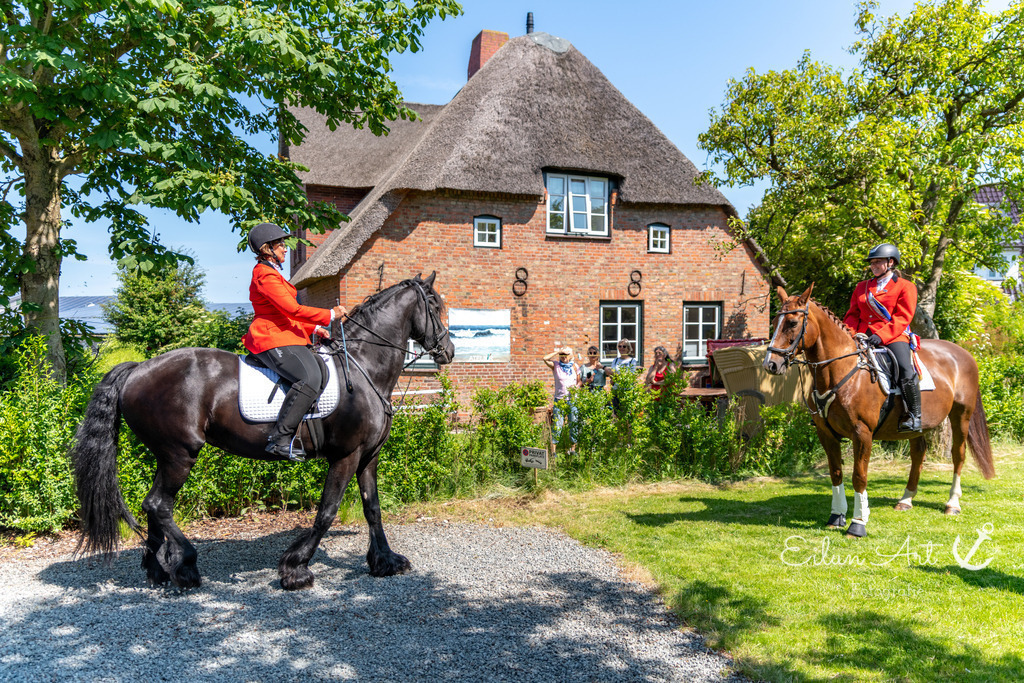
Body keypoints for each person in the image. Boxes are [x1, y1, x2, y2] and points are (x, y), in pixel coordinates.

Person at [242, 223, 348, 460]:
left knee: (321, 370)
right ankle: (279, 440)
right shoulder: (264, 275)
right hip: (269, 337)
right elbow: (292, 309)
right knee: (309, 378)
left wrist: (316, 329)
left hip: (283, 332)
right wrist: (329, 315)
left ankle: (307, 432)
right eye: (280, 244)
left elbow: (285, 314)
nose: (285, 249)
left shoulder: (273, 273)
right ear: (267, 248)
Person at [843, 243, 921, 432]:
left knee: (904, 367)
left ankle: (914, 415)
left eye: (878, 262)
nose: (874, 266)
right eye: (872, 263)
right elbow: (852, 314)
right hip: (862, 335)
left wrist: (881, 335)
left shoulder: (905, 286)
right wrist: (850, 334)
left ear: (891, 262)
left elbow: (903, 316)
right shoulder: (862, 287)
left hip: (893, 335)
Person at [543, 346, 580, 451]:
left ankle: (572, 450)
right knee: (557, 426)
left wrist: (576, 387)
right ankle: (553, 451)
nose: (564, 357)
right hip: (559, 400)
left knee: (573, 424)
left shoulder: (575, 366)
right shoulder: (556, 365)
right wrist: (559, 351)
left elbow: (579, 381)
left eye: (566, 355)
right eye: (562, 355)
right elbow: (545, 358)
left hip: (572, 400)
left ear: (571, 356)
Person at [605, 338, 638, 414]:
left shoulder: (632, 361)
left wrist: (616, 376)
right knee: (617, 414)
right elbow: (612, 374)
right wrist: (615, 377)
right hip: (616, 390)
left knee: (627, 414)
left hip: (627, 390)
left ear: (628, 348)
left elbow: (630, 375)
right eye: (620, 346)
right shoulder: (615, 360)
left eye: (624, 346)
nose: (621, 348)